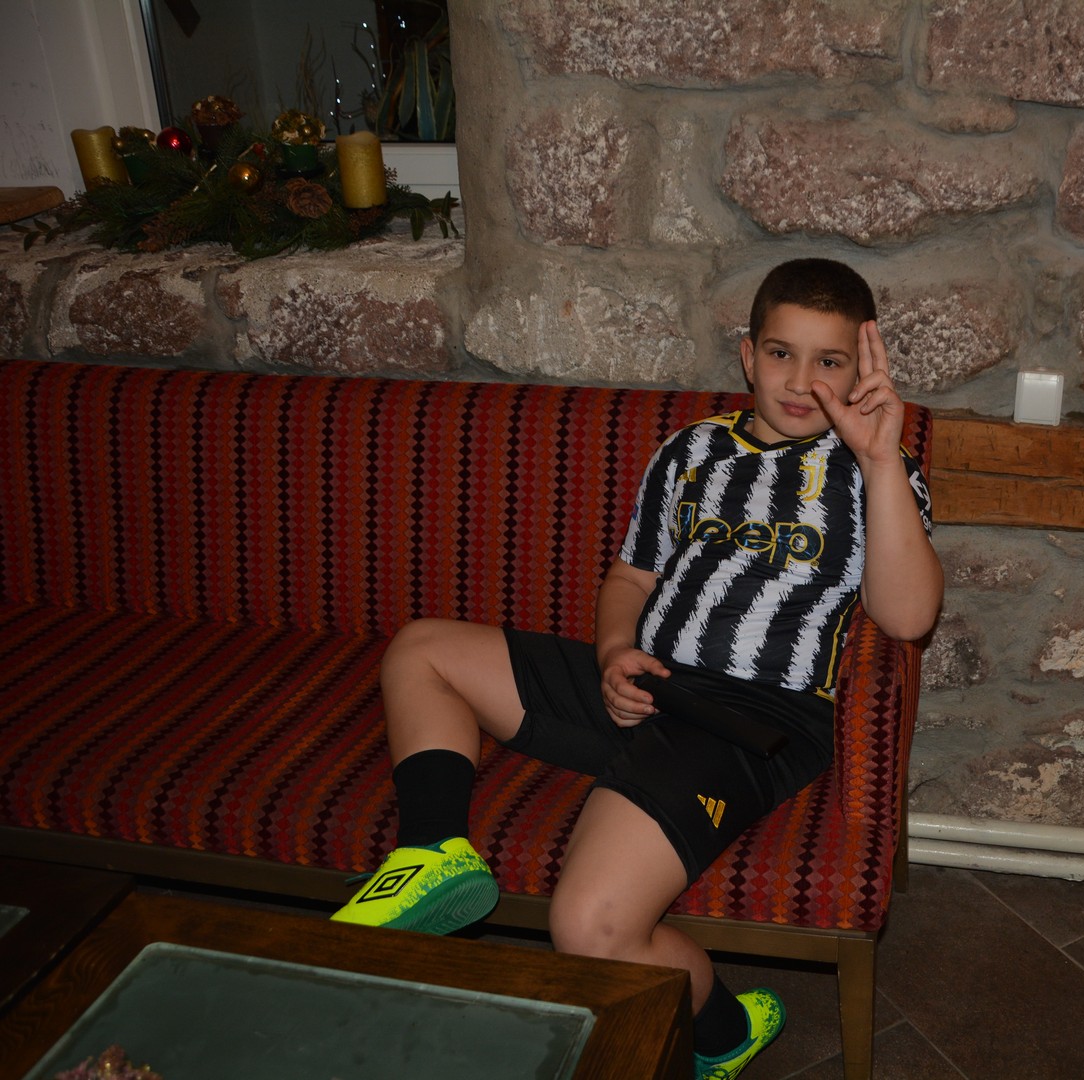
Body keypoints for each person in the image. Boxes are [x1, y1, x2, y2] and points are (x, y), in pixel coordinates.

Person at [331, 258, 942, 1078]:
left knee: (590, 928)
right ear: (748, 354)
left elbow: (908, 618)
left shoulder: (874, 472)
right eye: (781, 353)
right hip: (645, 682)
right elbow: (629, 578)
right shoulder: (692, 451)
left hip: (748, 720)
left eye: (828, 361)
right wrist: (615, 652)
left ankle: (726, 1030)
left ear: (861, 371)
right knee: (422, 649)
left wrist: (880, 462)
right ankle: (434, 854)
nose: (801, 381)